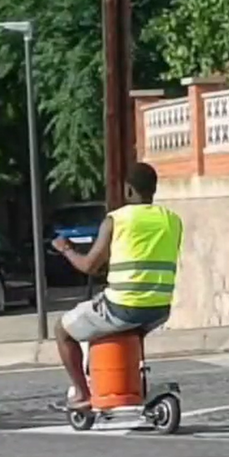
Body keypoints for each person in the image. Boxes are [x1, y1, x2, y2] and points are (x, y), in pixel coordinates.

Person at [50, 162, 183, 410]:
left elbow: (89, 265)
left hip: (122, 306)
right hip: (159, 308)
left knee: (62, 331)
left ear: (129, 190)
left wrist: (66, 249)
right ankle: (130, 387)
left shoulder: (116, 220)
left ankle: (81, 394)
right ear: (153, 189)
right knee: (122, 331)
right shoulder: (172, 220)